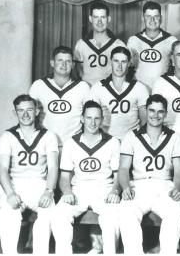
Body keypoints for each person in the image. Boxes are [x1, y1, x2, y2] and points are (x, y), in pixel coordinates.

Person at [118, 94, 180, 254]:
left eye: (160, 111)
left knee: (176, 210)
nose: (155, 115)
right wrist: (125, 187)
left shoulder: (174, 138)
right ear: (146, 111)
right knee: (126, 210)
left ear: (166, 113)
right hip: (139, 186)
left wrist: (177, 188)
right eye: (152, 110)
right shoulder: (131, 136)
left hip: (164, 186)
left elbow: (179, 169)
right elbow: (123, 168)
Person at [51, 100, 120, 254]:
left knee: (112, 218)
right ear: (82, 118)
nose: (93, 122)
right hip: (78, 190)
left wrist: (115, 191)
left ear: (102, 120)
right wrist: (67, 192)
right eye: (89, 118)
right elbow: (64, 177)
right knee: (58, 215)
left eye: (97, 118)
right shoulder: (71, 143)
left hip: (104, 189)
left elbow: (118, 175)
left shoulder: (112, 142)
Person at [0, 94, 59, 254]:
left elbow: (53, 168)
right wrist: (10, 194)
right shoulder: (7, 136)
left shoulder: (49, 136)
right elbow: (2, 169)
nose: (25, 114)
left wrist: (48, 191)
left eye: (30, 110)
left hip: (39, 183)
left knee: (48, 213)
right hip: (14, 183)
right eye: (21, 110)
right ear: (15, 113)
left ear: (37, 111)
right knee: (8, 214)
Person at [29, 45, 91, 148]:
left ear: (73, 64)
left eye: (68, 61)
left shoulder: (83, 87)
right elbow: (29, 114)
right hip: (45, 145)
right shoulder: (39, 85)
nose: (64, 65)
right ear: (52, 63)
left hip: (74, 146)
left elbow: (90, 116)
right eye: (60, 60)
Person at [90, 46, 149, 140]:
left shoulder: (140, 88)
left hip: (132, 140)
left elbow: (145, 122)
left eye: (124, 62)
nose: (119, 66)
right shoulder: (97, 88)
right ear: (111, 61)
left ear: (129, 63)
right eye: (116, 61)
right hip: (105, 141)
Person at [127, 1, 178, 91]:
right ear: (143, 18)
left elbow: (176, 69)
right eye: (148, 17)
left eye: (156, 16)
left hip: (163, 91)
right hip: (138, 90)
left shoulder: (172, 40)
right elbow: (128, 69)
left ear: (161, 18)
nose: (152, 20)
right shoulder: (133, 40)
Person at [74, 1, 126, 86]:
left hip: (109, 92)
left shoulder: (119, 45)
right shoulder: (81, 44)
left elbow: (125, 73)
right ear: (90, 19)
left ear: (108, 19)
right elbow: (77, 72)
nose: (99, 21)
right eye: (96, 17)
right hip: (87, 92)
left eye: (103, 17)